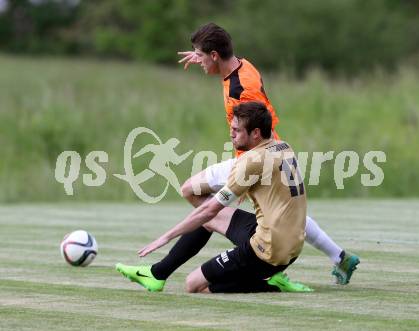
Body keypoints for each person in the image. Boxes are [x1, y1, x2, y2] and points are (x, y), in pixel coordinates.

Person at [117, 23, 359, 292]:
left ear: (215, 55)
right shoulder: (242, 66)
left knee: (195, 194)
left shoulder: (241, 89)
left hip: (260, 155)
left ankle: (259, 263)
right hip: (266, 152)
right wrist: (202, 54)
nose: (198, 61)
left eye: (201, 56)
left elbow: (254, 129)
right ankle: (337, 256)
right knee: (278, 212)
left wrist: (243, 176)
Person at [116, 102, 314, 293]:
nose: (231, 133)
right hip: (292, 246)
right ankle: (157, 274)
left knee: (193, 284)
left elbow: (209, 209)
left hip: (269, 252)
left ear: (255, 133)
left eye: (237, 130)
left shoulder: (250, 161)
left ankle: (271, 284)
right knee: (208, 218)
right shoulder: (283, 146)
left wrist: (165, 237)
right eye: (231, 127)